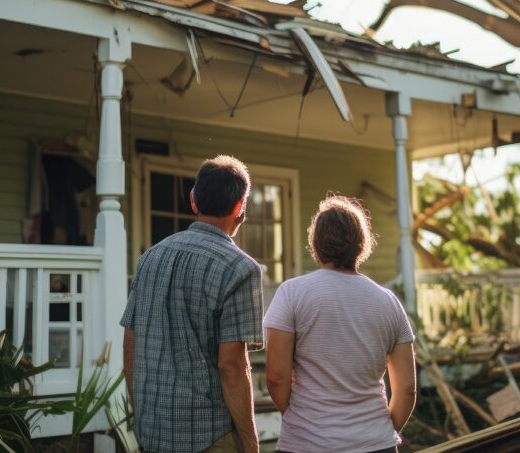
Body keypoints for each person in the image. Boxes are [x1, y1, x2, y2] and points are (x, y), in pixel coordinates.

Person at [122, 155, 263, 453]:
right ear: (240, 206)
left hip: (152, 432)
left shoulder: (150, 257)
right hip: (209, 436)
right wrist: (251, 445)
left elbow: (130, 343)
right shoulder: (240, 269)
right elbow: (232, 366)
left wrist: (142, 413)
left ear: (193, 201)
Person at [263, 195, 417, 453]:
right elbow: (408, 388)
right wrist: (380, 433)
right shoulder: (388, 302)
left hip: (305, 443)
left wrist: (305, 422)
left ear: (316, 243)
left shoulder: (292, 293)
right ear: (361, 244)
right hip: (375, 443)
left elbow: (276, 377)